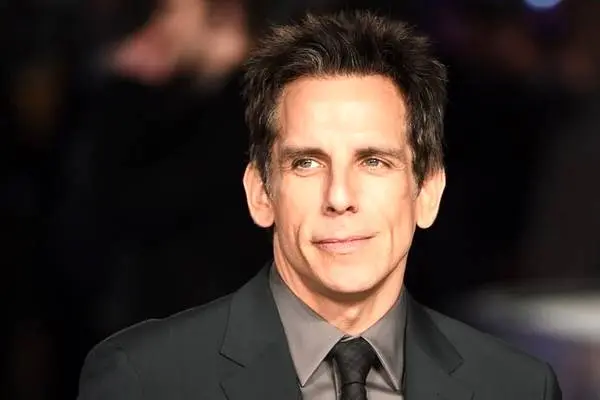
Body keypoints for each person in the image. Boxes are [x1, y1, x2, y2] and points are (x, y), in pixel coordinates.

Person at [76, 10, 562, 400]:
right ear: (260, 193)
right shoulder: (145, 379)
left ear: (428, 193)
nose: (340, 197)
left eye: (374, 162)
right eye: (307, 163)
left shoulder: (517, 387)